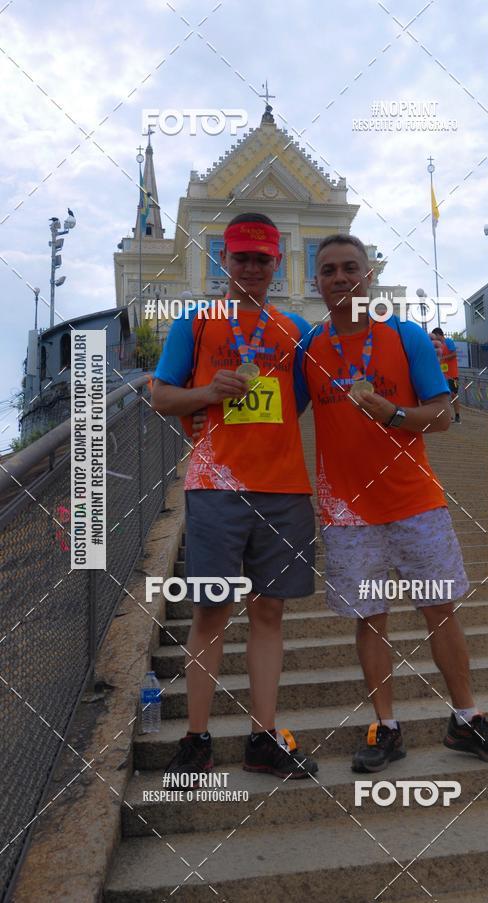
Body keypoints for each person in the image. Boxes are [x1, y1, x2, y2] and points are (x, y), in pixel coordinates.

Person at [296, 234, 488, 772]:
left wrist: (393, 414)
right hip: (347, 512)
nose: (339, 278)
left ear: (368, 274)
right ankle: (386, 726)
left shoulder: (406, 335)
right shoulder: (309, 347)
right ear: (317, 282)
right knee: (371, 618)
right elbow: (281, 414)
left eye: (350, 267)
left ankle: (466, 718)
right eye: (328, 270)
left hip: (415, 501)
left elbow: (444, 414)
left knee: (438, 610)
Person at [151, 212, 318, 781]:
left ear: (276, 263)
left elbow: (297, 403)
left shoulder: (295, 329)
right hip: (216, 487)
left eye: (261, 258)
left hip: (283, 487)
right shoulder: (196, 323)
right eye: (241, 256)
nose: (251, 266)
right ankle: (196, 737)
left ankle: (263, 736)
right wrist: (206, 392)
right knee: (210, 610)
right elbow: (160, 395)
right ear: (226, 260)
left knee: (268, 612)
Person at [431, 327, 461, 423]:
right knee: (445, 396)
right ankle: (449, 416)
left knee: (454, 395)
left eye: (435, 337)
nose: (435, 339)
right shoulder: (439, 346)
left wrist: (443, 357)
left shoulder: (448, 341)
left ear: (439, 335)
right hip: (443, 375)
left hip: (452, 374)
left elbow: (454, 354)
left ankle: (457, 416)